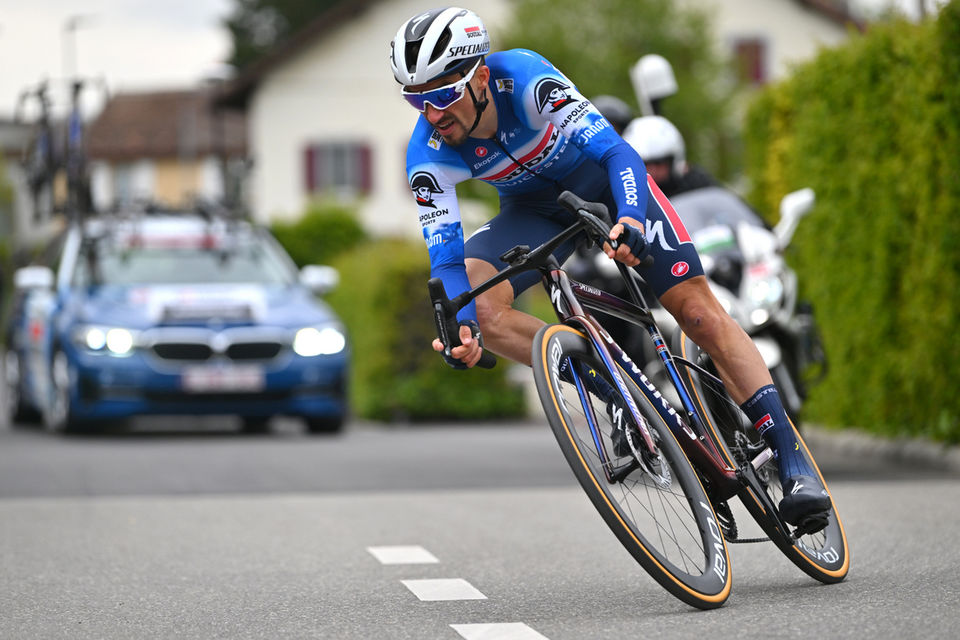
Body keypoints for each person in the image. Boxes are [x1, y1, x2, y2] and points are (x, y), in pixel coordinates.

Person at [390, 6, 830, 526]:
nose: (431, 113)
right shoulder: (427, 152)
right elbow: (444, 254)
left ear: (481, 77)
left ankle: (791, 456)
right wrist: (459, 326)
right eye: (416, 99)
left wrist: (631, 221)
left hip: (606, 185)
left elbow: (620, 156)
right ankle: (618, 393)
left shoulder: (527, 81)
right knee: (479, 307)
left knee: (700, 315)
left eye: (441, 95)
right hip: (532, 215)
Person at [621, 115, 716, 198]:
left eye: (659, 163)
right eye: (645, 164)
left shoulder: (698, 185)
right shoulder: (624, 198)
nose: (653, 171)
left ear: (673, 161)